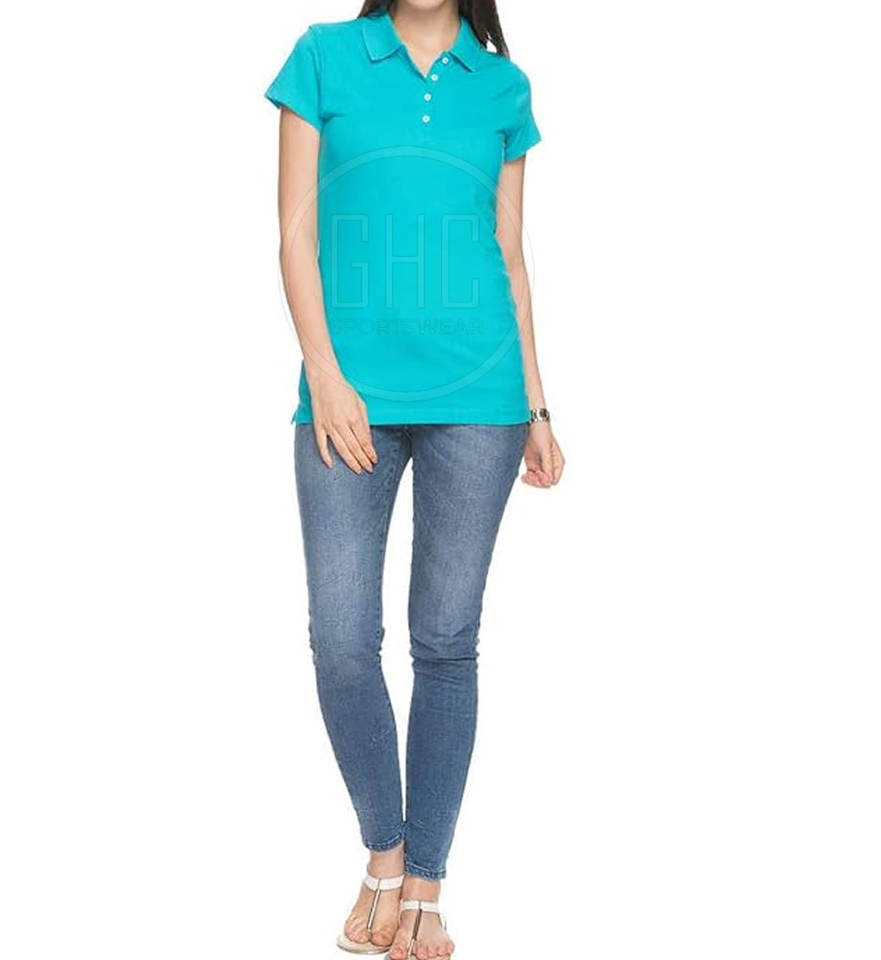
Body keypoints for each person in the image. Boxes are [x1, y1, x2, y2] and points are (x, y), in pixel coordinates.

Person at [266, 1, 564, 955]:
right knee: (341, 640)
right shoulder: (324, 57)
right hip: (347, 395)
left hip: (481, 397)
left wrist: (539, 406)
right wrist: (325, 375)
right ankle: (384, 854)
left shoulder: (503, 86)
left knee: (445, 642)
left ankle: (425, 879)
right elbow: (293, 235)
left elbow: (509, 254)